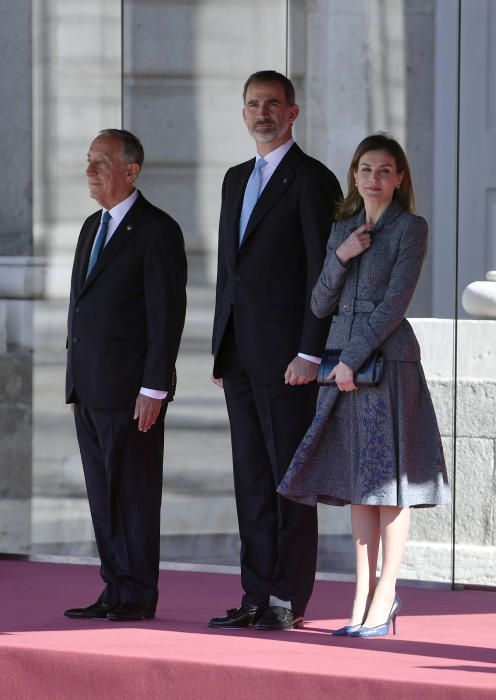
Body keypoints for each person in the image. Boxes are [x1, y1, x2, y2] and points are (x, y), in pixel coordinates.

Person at [278, 133, 450, 638]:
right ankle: (360, 596)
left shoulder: (410, 229)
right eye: (365, 169)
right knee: (359, 484)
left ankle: (386, 593)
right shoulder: (342, 229)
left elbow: (396, 305)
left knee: (389, 485)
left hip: (387, 367)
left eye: (384, 170)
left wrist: (350, 360)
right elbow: (319, 304)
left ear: (399, 178)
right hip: (343, 370)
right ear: (354, 175)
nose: (373, 178)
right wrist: (342, 256)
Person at [209, 71, 342, 631]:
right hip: (240, 355)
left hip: (290, 359)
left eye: (272, 104)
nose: (262, 113)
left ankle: (287, 598)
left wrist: (311, 353)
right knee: (251, 480)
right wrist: (221, 344)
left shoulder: (313, 180)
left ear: (293, 113)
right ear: (243, 114)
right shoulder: (235, 179)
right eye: (252, 104)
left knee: (290, 481)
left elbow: (323, 273)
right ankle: (255, 595)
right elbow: (228, 271)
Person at [64, 129, 187, 621]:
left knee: (133, 493)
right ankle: (114, 587)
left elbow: (166, 314)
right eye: (89, 160)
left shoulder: (157, 229)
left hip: (132, 390)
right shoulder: (91, 227)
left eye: (101, 161)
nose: (90, 170)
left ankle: (138, 594)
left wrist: (154, 386)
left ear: (131, 170)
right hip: (89, 385)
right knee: (102, 493)